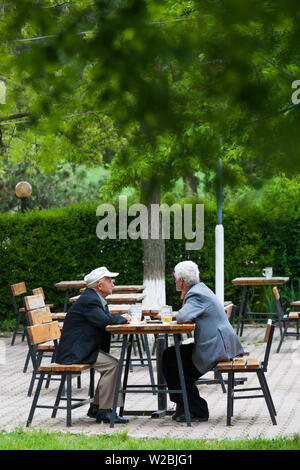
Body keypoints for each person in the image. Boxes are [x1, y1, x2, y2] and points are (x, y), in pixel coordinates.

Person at [162, 260, 244, 423]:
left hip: (217, 348)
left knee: (175, 362)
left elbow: (183, 317)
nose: (175, 281)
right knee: (171, 356)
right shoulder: (201, 289)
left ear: (181, 281)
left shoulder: (195, 294)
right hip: (217, 343)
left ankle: (196, 409)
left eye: (175, 278)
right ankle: (183, 405)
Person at [55, 266, 131, 424]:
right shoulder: (90, 300)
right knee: (112, 365)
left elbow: (105, 317)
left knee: (111, 364)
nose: (113, 284)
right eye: (109, 280)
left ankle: (97, 407)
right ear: (99, 285)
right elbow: (104, 320)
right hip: (74, 351)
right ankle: (104, 411)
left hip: (81, 348)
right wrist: (122, 319)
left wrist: (119, 318)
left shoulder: (94, 298)